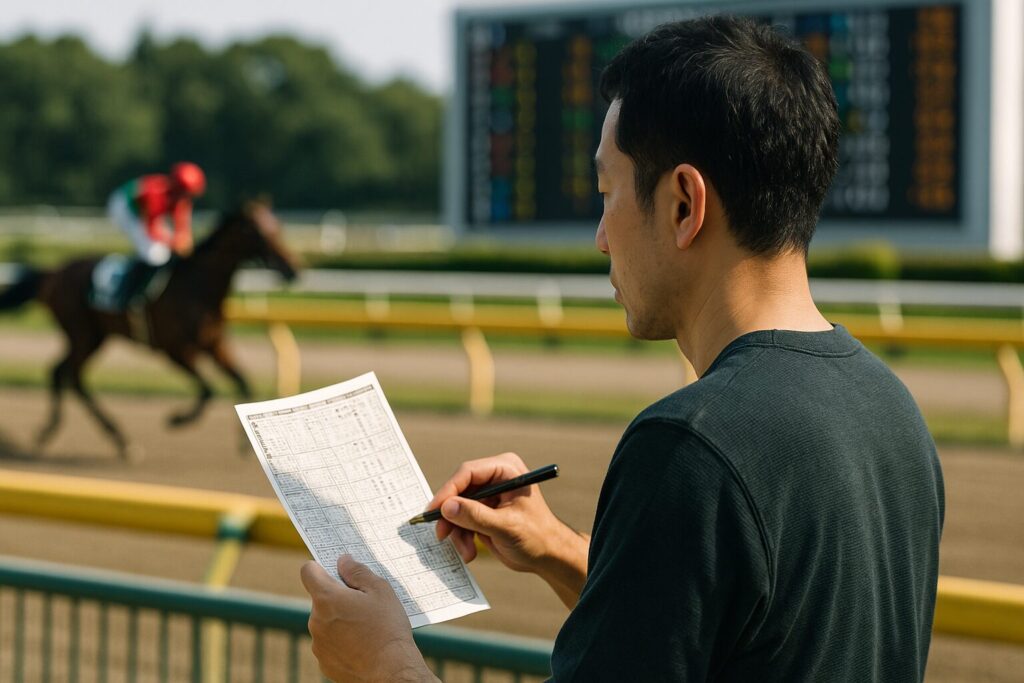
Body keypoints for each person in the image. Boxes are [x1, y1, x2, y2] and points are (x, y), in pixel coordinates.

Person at [299, 16, 944, 682]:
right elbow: (743, 635)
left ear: (684, 204)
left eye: (607, 194)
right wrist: (561, 551)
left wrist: (380, 660)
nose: (602, 237)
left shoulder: (689, 445)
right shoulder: (892, 408)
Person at [105, 161, 206, 309]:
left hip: (145, 215)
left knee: (166, 249)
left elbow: (182, 228)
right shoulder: (156, 193)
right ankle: (126, 294)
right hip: (125, 208)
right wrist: (173, 243)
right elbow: (151, 229)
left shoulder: (181, 198)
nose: (186, 198)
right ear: (177, 188)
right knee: (153, 253)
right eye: (184, 194)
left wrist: (183, 242)